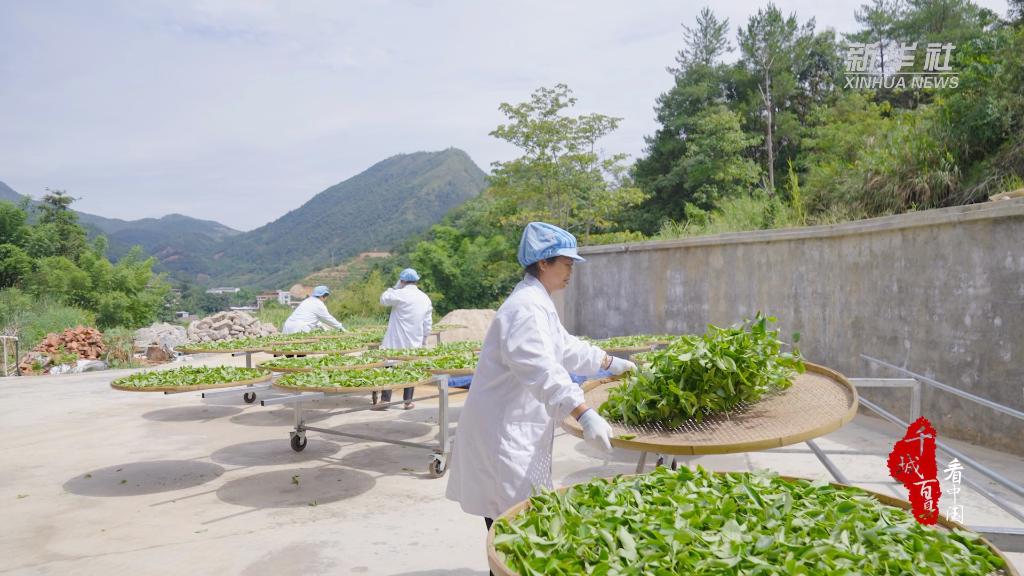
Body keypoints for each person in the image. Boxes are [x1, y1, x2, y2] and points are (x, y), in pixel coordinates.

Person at [445, 221, 636, 535]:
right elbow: (543, 371)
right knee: (509, 532)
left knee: (518, 527)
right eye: (565, 262)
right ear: (543, 262)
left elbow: (563, 346)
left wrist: (608, 361)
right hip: (503, 438)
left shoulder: (538, 303)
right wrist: (584, 414)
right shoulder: (524, 310)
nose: (570, 269)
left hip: (516, 429)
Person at [374, 268, 433, 410]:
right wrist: (424, 339)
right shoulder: (424, 298)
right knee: (409, 369)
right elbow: (427, 323)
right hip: (414, 341)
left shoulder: (398, 294)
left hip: (395, 341)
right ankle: (408, 402)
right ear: (417, 280)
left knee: (389, 368)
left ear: (402, 281)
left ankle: (385, 401)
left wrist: (393, 288)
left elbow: (383, 299)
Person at [282, 285, 347, 334]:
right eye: (326, 296)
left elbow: (313, 319)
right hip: (299, 329)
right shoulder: (319, 304)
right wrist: (342, 329)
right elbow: (329, 319)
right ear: (322, 296)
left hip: (287, 327)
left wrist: (325, 329)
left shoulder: (307, 301)